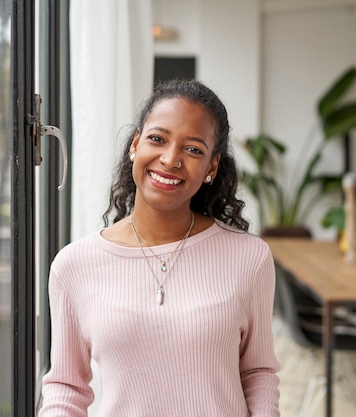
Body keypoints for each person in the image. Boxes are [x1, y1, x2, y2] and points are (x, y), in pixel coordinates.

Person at [39, 79, 280, 417]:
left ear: (212, 166)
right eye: (157, 139)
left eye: (193, 149)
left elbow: (258, 374)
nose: (170, 159)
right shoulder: (74, 265)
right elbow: (66, 388)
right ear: (135, 144)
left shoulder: (249, 258)